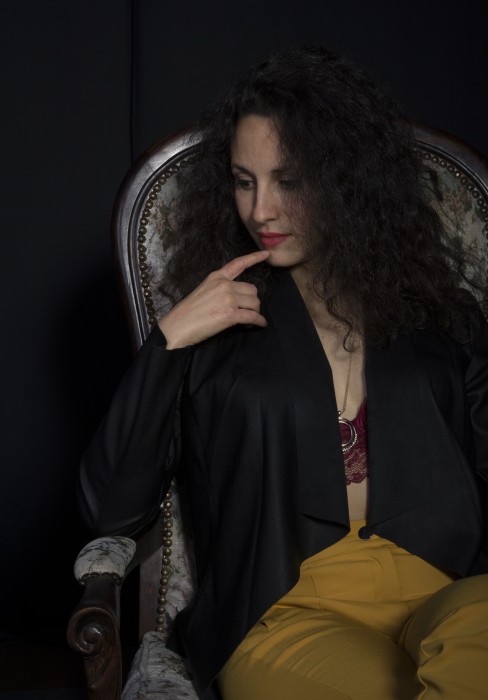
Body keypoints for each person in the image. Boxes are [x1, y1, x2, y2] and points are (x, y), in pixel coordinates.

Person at [78, 47, 488, 699]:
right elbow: (113, 505)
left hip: (447, 592)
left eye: (288, 181)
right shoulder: (216, 326)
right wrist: (169, 341)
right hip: (284, 611)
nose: (261, 210)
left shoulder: (440, 317)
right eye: (244, 181)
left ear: (346, 179)